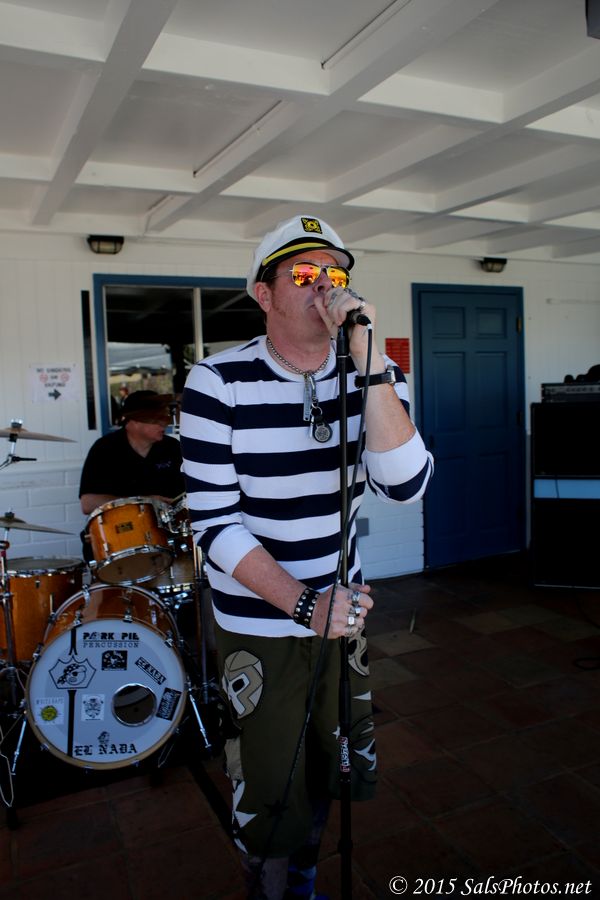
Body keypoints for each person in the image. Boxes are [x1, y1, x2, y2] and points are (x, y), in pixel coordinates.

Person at [179, 215, 433, 899]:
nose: (325, 285)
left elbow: (405, 485)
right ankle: (269, 883)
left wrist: (369, 358)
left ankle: (306, 878)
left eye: (335, 273)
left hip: (339, 617)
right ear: (263, 294)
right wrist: (303, 604)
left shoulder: (375, 373)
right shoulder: (217, 381)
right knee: (267, 776)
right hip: (262, 621)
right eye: (305, 272)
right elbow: (215, 524)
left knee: (331, 760)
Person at [79, 389, 184, 518]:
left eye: (165, 417)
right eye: (156, 418)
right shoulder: (105, 449)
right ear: (134, 421)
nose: (164, 424)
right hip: (123, 525)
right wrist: (144, 502)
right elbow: (88, 503)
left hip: (170, 524)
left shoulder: (172, 447)